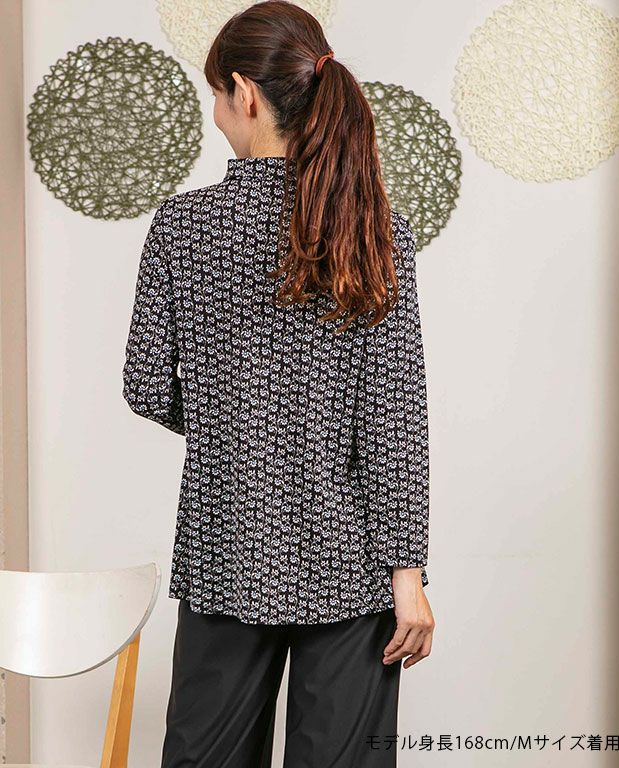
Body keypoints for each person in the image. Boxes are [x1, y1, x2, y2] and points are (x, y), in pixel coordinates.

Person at [121, 1, 435, 765]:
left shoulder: (182, 228)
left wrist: (233, 421)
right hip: (351, 565)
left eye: (216, 94)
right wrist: (409, 577)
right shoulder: (373, 233)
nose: (217, 112)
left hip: (224, 550)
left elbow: (145, 385)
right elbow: (393, 422)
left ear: (245, 93)